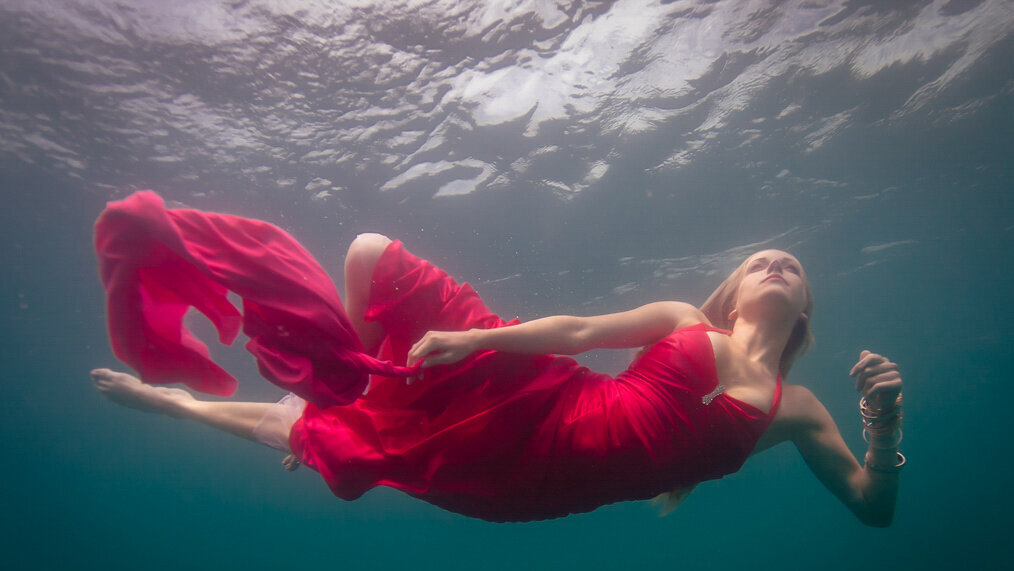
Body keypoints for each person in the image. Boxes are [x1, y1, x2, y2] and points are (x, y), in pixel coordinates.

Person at [91, 192, 904, 525]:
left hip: (526, 483)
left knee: (325, 431)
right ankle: (343, 399)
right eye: (760, 257)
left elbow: (872, 504)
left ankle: (178, 402)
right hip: (538, 398)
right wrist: (477, 339)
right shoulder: (687, 321)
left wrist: (884, 424)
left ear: (806, 311)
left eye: (791, 266)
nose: (776, 263)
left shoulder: (792, 410)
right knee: (372, 254)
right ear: (732, 286)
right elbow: (579, 331)